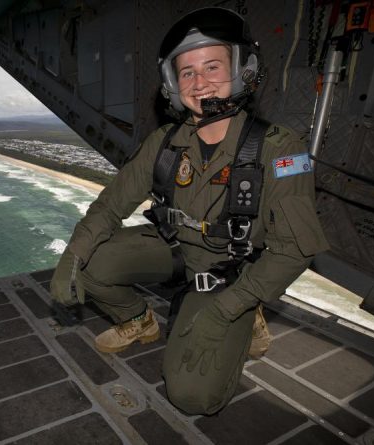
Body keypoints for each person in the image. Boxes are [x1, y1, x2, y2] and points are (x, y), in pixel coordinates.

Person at [49, 7, 328, 415]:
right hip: (178, 251)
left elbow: (294, 249)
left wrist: (227, 310)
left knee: (193, 397)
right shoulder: (165, 142)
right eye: (187, 73)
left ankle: (251, 313)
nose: (200, 83)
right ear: (173, 85)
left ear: (241, 70)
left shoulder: (280, 148)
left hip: (233, 272)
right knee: (92, 263)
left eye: (212, 67)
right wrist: (73, 254)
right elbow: (112, 203)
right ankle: (139, 320)